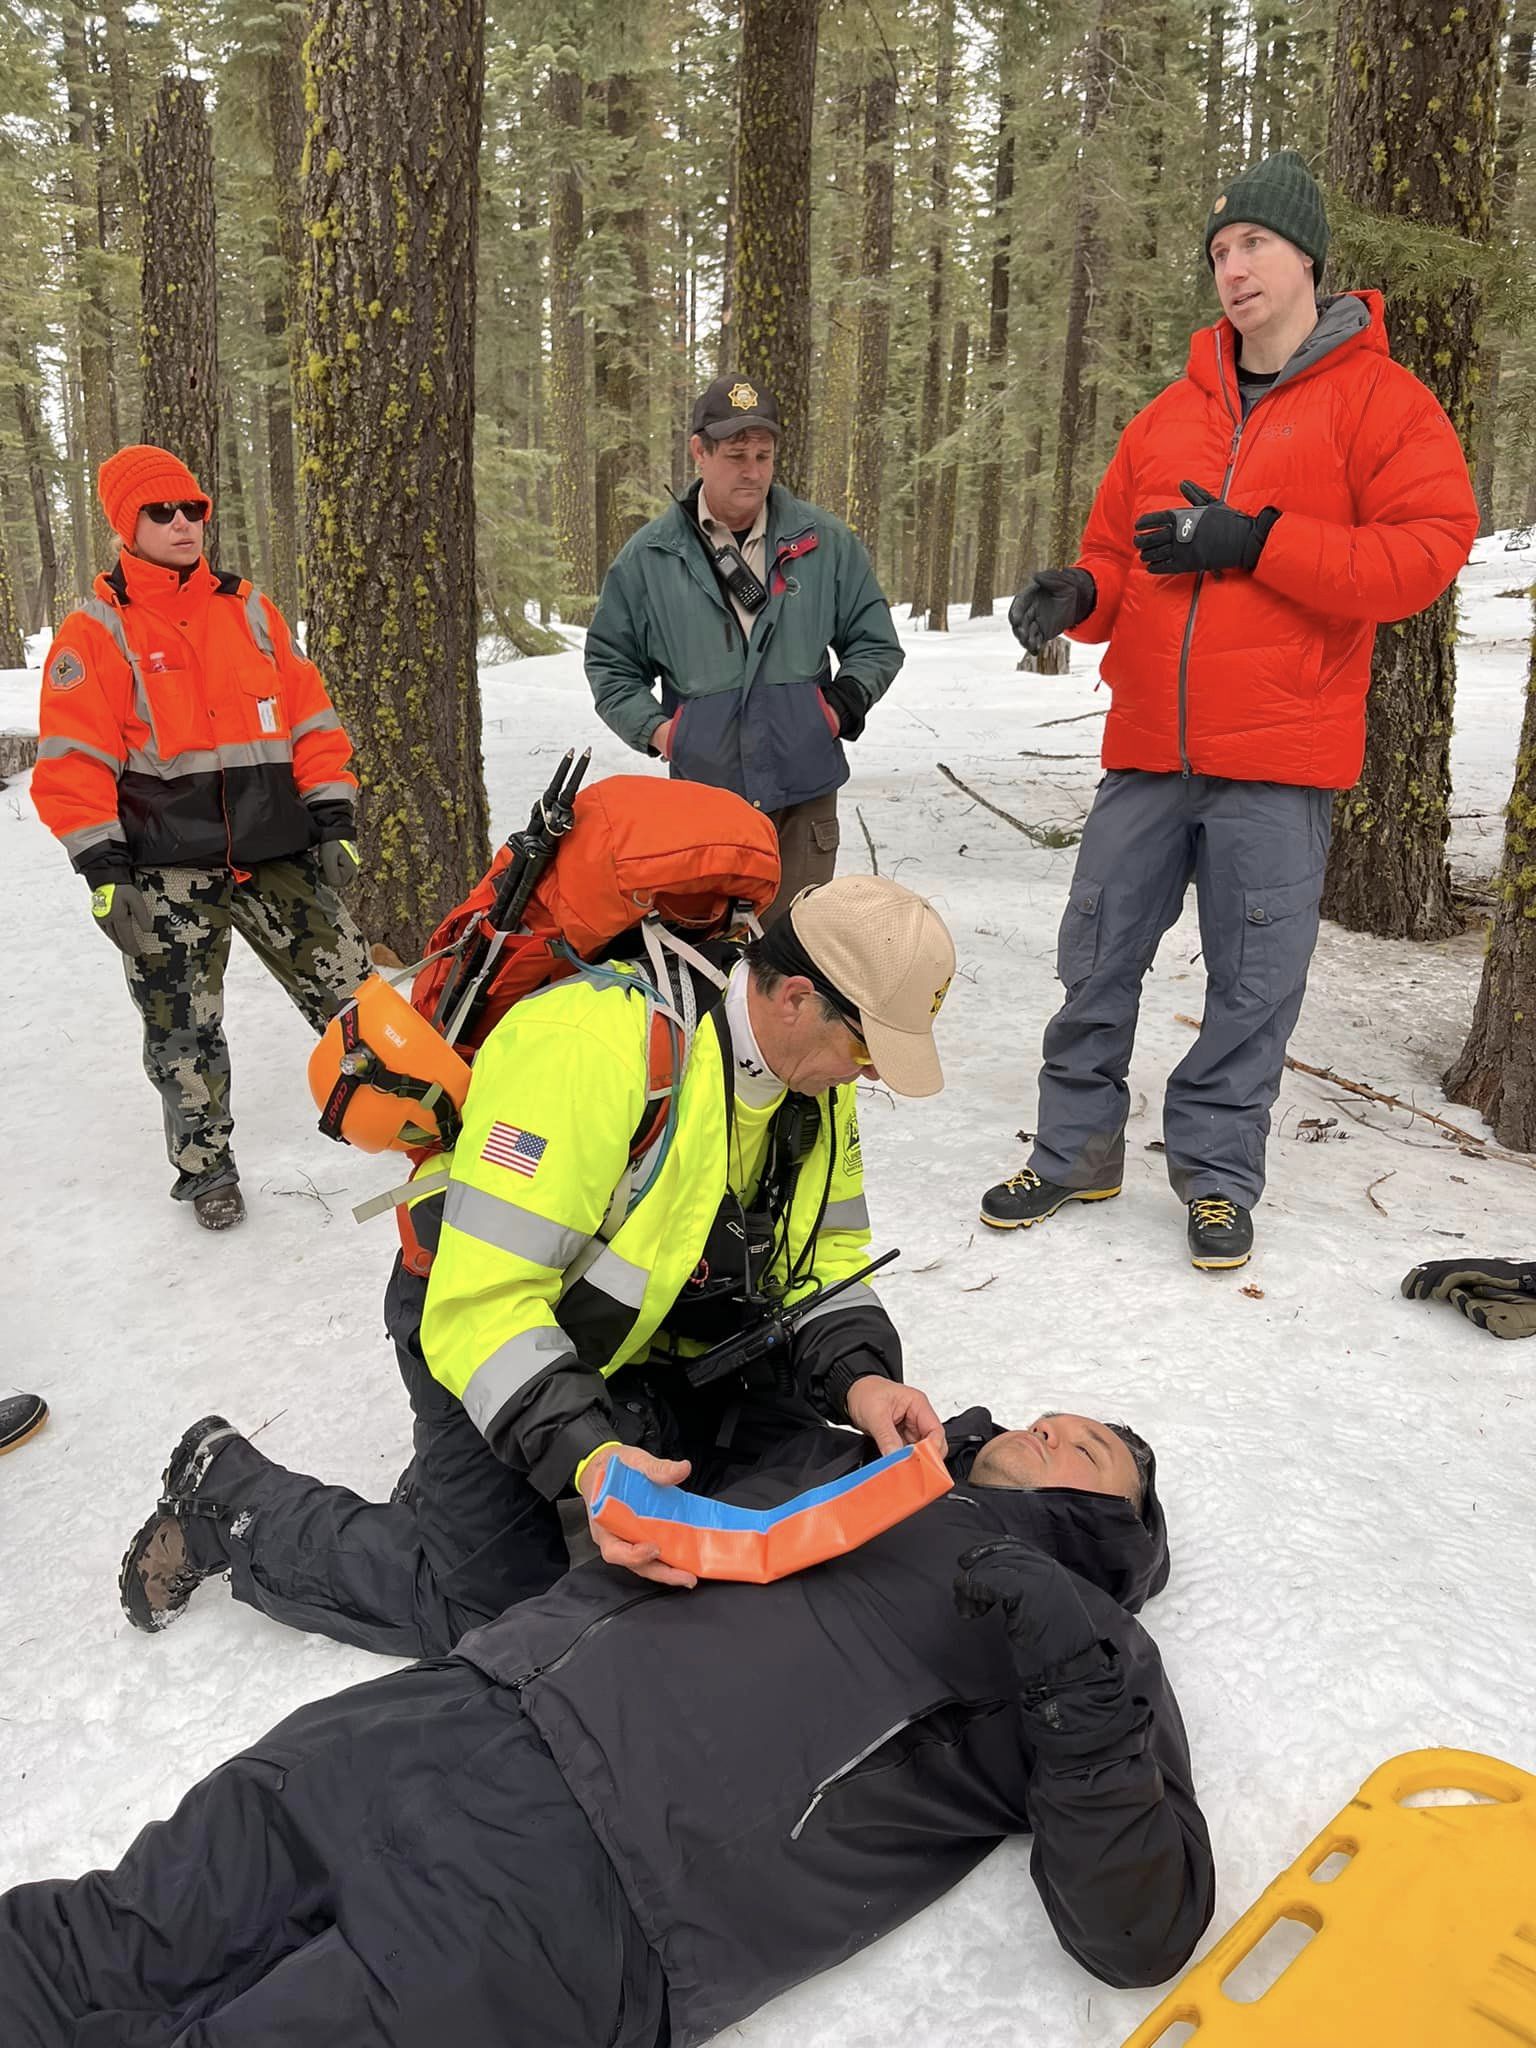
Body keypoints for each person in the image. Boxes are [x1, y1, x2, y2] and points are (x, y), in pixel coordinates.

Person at [5, 1405, 1214, 2048]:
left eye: (1093, 1445)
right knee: (115, 1927)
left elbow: (1142, 1926)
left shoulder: (1094, 1650)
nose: (1056, 1429)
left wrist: (1077, 1672)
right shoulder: (852, 1459)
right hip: (458, 1710)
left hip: (599, 1889)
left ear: (1126, 1522)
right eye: (1054, 1415)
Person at [119, 874, 959, 1659]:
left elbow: (827, 1253)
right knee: (488, 1607)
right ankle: (226, 1499)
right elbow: (483, 1301)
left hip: (639, 1325)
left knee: (784, 1475)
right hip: (479, 1318)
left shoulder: (814, 1077)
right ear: (797, 997)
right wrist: (591, 1458)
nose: (869, 1076)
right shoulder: (590, 1047)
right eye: (868, 1050)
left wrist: (859, 1377)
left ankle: (510, 1464)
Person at [983, 149, 1478, 1272]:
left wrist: (1258, 541)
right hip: (1150, 744)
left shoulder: (1382, 404)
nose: (1233, 268)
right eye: (1219, 252)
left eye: (1252, 243)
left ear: (1307, 256)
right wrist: (1079, 594)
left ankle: (1216, 1174)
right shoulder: (1169, 417)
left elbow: (1423, 553)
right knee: (1096, 955)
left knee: (1252, 984)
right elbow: (1117, 555)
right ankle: (1074, 1150)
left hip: (1280, 755)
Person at [31, 444, 371, 1231]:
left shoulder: (250, 608)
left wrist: (333, 817)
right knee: (181, 1028)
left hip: (274, 850)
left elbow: (311, 720)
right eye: (163, 512)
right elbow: (73, 758)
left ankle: (414, 1110)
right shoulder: (96, 631)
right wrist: (100, 866)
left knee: (354, 993)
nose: (184, 523)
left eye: (194, 509)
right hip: (164, 870)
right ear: (127, 523)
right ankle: (206, 1170)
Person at [585, 376, 905, 920]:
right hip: (704, 800)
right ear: (699, 453)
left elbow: (875, 643)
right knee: (708, 957)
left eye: (763, 454)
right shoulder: (650, 558)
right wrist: (665, 732)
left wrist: (833, 710)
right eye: (736, 455)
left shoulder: (823, 542)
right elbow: (610, 663)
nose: (752, 470)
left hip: (803, 794)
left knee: (790, 955)